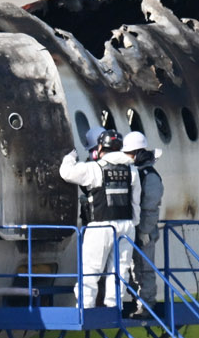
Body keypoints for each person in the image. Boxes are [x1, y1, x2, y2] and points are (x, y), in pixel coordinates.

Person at [58, 130, 139, 308]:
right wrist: (134, 223)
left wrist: (70, 156)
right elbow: (135, 202)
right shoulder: (131, 170)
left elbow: (66, 173)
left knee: (91, 268)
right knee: (120, 269)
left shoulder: (95, 168)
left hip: (101, 226)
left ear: (100, 147)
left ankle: (86, 305)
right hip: (126, 226)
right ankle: (113, 304)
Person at [123, 131, 164, 306]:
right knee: (133, 268)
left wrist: (145, 231)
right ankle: (138, 300)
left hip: (144, 231)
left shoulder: (150, 176)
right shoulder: (138, 173)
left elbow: (150, 207)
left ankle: (146, 304)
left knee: (145, 269)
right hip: (135, 229)